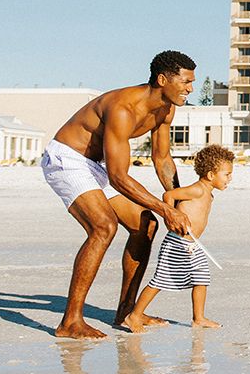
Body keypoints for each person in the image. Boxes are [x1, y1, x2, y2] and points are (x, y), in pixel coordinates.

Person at [42, 51, 196, 339]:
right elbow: (119, 177)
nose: (190, 89)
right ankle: (70, 322)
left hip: (95, 165)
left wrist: (177, 200)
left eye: (192, 82)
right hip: (67, 159)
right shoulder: (123, 107)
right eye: (186, 82)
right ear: (163, 80)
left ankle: (126, 312)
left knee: (145, 225)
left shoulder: (166, 108)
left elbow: (162, 158)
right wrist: (166, 211)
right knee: (103, 227)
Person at [122, 143, 233, 331]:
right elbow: (169, 195)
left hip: (192, 244)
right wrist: (171, 217)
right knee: (160, 280)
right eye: (227, 174)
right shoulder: (197, 190)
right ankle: (134, 316)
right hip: (177, 242)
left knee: (201, 278)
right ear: (211, 175)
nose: (230, 178)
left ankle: (199, 318)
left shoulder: (208, 193)